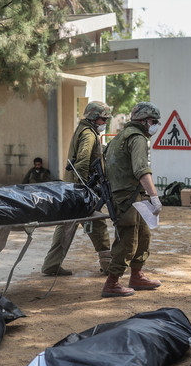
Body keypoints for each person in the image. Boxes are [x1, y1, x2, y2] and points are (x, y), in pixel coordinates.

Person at [40, 101, 112, 276]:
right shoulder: (89, 134)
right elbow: (82, 161)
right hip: (81, 190)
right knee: (98, 223)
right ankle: (108, 264)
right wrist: (84, 190)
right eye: (103, 119)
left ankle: (51, 265)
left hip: (72, 188)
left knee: (66, 226)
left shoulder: (83, 130)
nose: (105, 123)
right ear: (95, 118)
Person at [101, 102, 163, 297]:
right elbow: (141, 170)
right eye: (153, 121)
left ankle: (137, 275)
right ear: (144, 121)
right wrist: (154, 196)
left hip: (130, 195)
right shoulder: (136, 139)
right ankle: (112, 283)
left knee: (144, 235)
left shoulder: (119, 137)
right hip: (127, 198)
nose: (155, 125)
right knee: (128, 240)